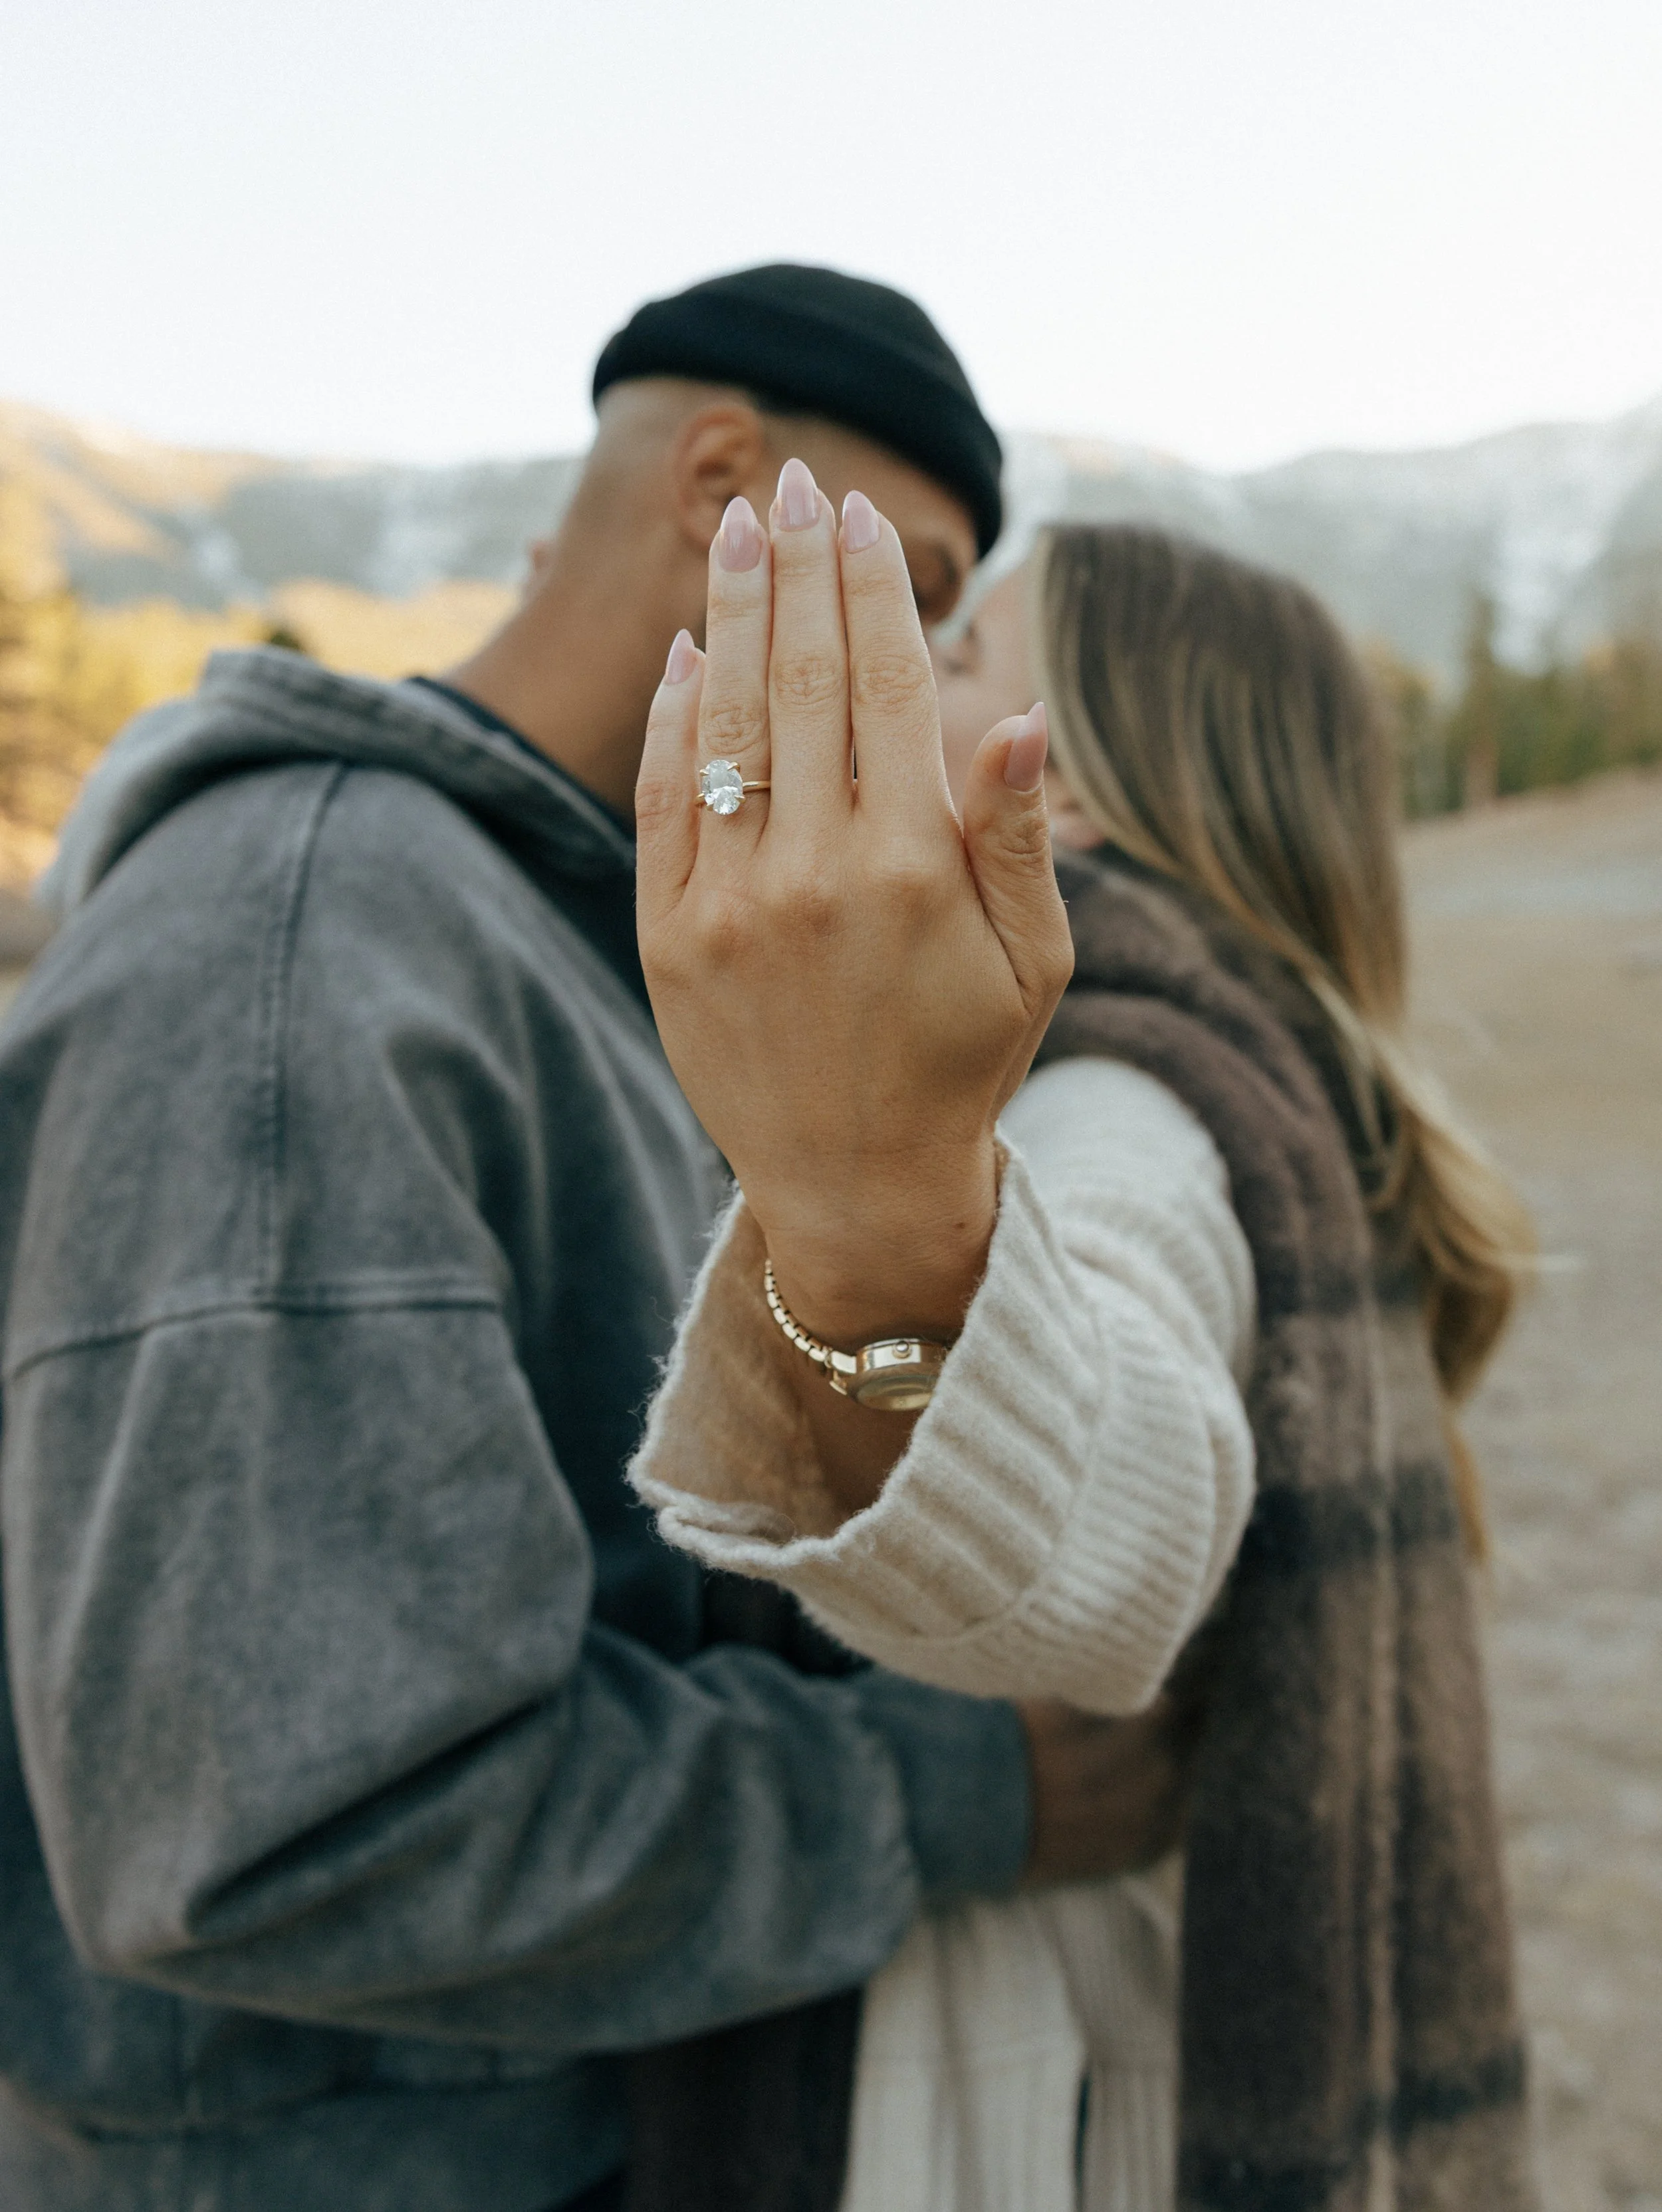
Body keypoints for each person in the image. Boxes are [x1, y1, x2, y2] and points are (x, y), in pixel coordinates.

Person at [0, 270, 1180, 2212]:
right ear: (727, 485)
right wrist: (971, 1790)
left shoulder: (556, 941)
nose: (942, 662)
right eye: (929, 580)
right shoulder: (308, 956)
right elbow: (283, 1824)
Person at [628, 516, 1540, 2209]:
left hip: (1018, 2110)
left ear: (1068, 795)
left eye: (961, 652)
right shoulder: (1259, 1072)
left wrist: (870, 1203)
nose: (914, 663)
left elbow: (1100, 1558)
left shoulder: (1121, 1107)